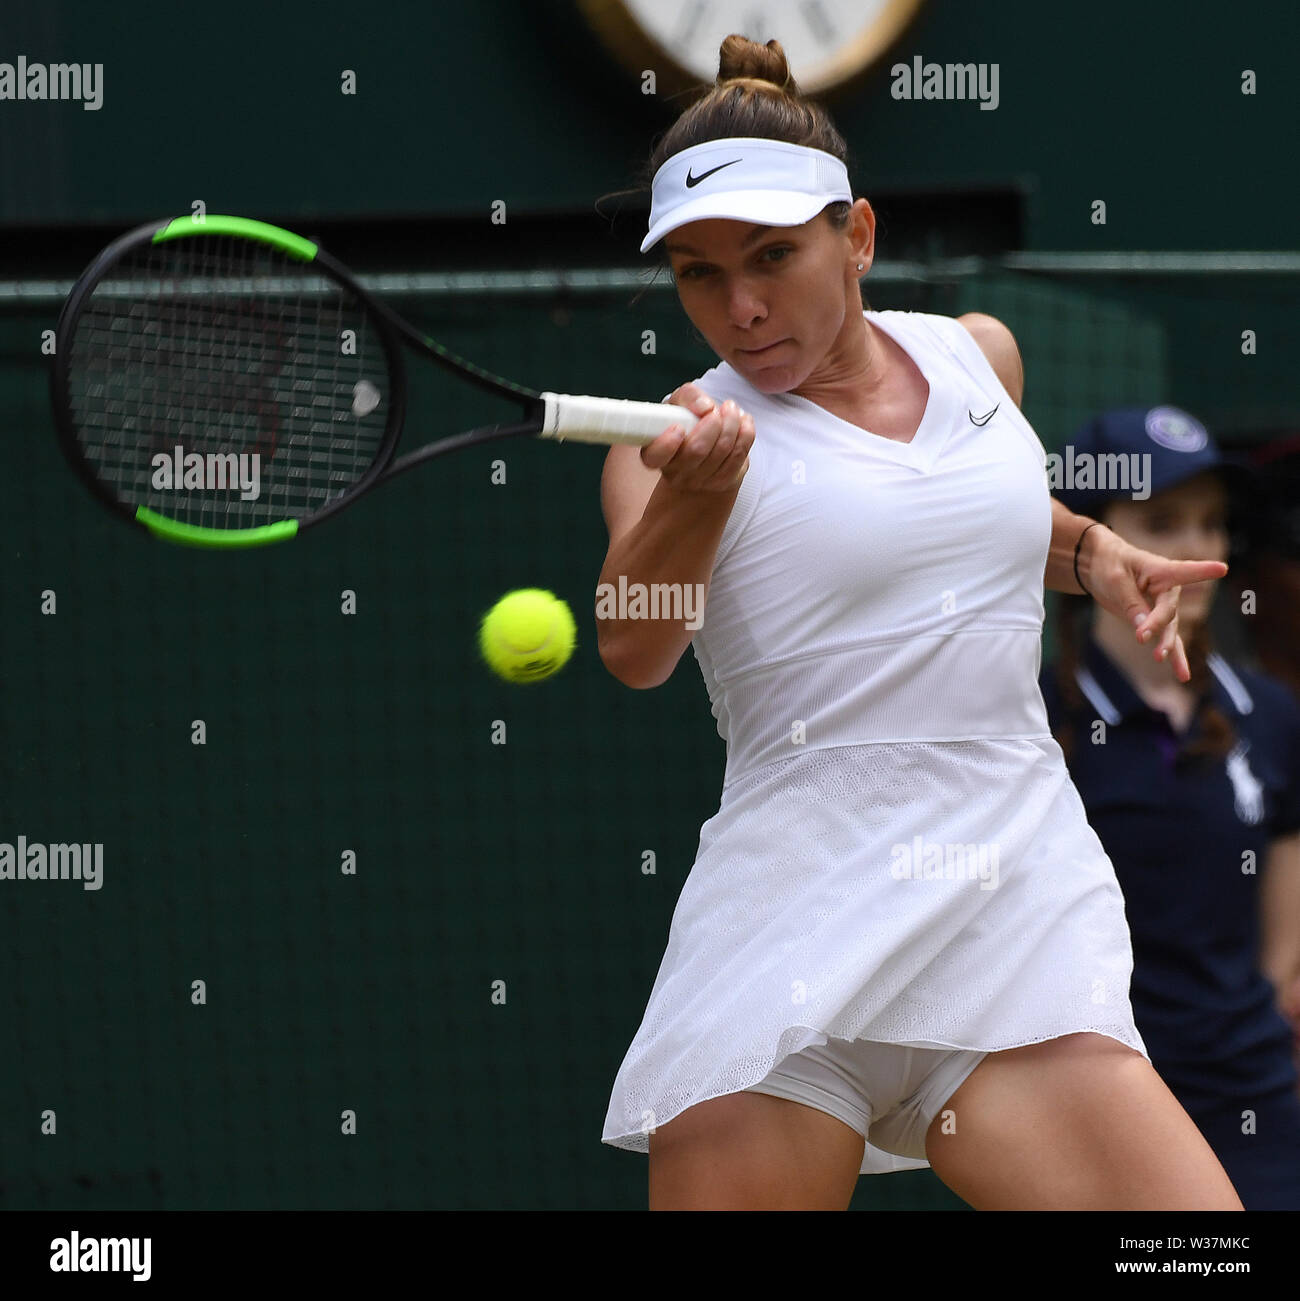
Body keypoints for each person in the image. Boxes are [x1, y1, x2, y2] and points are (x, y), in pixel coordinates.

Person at [595, 34, 1239, 1211]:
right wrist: (693, 503)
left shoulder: (976, 356)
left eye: (772, 256)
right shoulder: (668, 444)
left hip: (1006, 919)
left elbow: (954, 511)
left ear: (859, 237)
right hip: (790, 935)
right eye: (696, 272)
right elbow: (635, 645)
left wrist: (1087, 550)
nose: (737, 307)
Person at [1040, 407, 1300, 1209]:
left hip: (1256, 1104)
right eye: (1160, 522)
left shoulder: (1271, 713)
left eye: (1213, 523)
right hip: (1091, 1115)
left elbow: (1284, 951)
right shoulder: (1032, 724)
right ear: (1090, 542)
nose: (1198, 551)